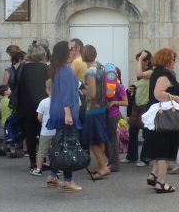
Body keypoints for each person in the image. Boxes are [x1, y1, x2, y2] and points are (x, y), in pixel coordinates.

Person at [142, 48, 179, 193]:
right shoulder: (164, 74)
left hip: (158, 115)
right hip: (165, 117)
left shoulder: (158, 72)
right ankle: (161, 183)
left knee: (158, 147)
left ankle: (154, 175)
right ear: (167, 60)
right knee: (164, 149)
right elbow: (159, 94)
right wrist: (178, 98)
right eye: (173, 59)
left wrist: (178, 85)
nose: (175, 61)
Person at [45, 41, 84, 192]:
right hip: (65, 113)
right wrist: (68, 113)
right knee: (69, 146)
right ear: (65, 52)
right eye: (70, 49)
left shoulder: (58, 69)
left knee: (59, 144)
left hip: (58, 111)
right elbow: (66, 94)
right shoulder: (66, 70)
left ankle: (52, 175)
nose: (73, 51)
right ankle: (68, 181)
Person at [14, 44, 49, 168]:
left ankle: (33, 162)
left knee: (30, 134)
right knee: (43, 134)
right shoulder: (47, 69)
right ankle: (43, 161)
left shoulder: (22, 68)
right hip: (43, 106)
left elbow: (16, 86)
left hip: (25, 105)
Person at [81, 45, 111, 179]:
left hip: (92, 109)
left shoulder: (90, 72)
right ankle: (100, 165)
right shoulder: (100, 66)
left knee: (91, 139)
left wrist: (81, 91)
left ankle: (103, 167)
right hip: (102, 106)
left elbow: (92, 93)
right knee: (100, 137)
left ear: (83, 55)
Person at [124, 50, 152, 167]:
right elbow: (140, 84)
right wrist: (132, 89)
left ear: (147, 62)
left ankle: (145, 158)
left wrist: (140, 59)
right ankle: (132, 156)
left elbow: (140, 75)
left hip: (146, 106)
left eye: (140, 61)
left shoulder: (151, 72)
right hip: (137, 106)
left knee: (146, 134)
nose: (138, 64)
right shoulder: (142, 73)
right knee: (133, 131)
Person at [104, 66, 128, 172]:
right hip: (105, 114)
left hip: (113, 115)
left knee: (112, 139)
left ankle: (114, 164)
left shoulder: (120, 87)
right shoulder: (105, 86)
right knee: (106, 139)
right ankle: (111, 161)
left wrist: (114, 102)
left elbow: (126, 102)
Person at [32, 79, 55, 176]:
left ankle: (38, 169)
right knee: (56, 150)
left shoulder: (43, 102)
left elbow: (39, 117)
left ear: (47, 89)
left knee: (42, 151)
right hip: (57, 131)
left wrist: (42, 121)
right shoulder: (59, 102)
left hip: (46, 131)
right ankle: (57, 169)